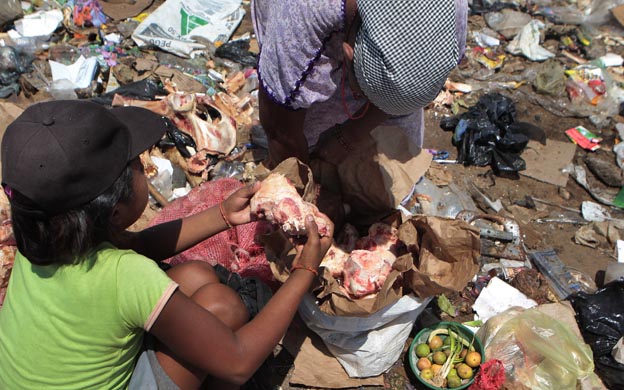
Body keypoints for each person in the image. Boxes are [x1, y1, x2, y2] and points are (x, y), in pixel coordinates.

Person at [0, 100, 333, 389]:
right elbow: (239, 362)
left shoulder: (43, 236)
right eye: (138, 167)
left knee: (197, 276)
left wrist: (223, 215)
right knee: (224, 307)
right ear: (115, 210)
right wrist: (304, 270)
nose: (145, 169)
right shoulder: (126, 275)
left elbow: (138, 245)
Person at [252, 0, 468, 168]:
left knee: (393, 165)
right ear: (347, 53)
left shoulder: (450, 13)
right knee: (306, 149)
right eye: (361, 91)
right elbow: (280, 125)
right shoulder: (299, 22)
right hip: (302, 28)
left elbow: (406, 90)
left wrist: (350, 135)